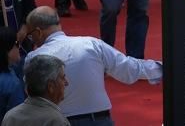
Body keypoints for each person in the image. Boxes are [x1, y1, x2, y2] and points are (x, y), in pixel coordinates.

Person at [23, 7, 162, 123]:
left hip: (59, 121)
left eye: (31, 36)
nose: (32, 40)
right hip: (100, 120)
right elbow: (130, 68)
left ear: (38, 32)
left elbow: (32, 99)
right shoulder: (91, 44)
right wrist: (165, 68)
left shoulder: (34, 57)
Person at [1, 54, 68, 126]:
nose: (67, 82)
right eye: (63, 78)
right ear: (50, 87)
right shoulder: (56, 121)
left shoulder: (10, 116)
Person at [0, 28, 23, 120]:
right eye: (17, 43)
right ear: (7, 50)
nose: (19, 46)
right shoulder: (12, 84)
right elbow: (17, 119)